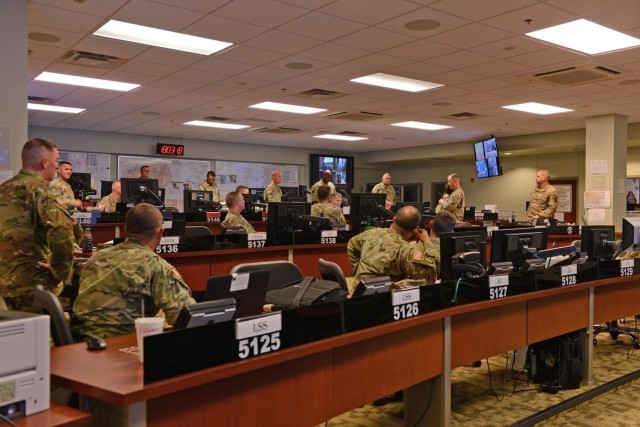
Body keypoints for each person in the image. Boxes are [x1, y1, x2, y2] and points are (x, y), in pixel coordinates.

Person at [72, 203, 195, 340]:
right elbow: (187, 318)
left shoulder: (96, 258)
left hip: (81, 344)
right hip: (123, 347)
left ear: (125, 229)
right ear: (160, 232)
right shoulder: (156, 267)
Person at [0, 138, 76, 311]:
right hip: (35, 282)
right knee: (40, 333)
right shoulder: (44, 191)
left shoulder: (3, 189)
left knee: (15, 331)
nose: (56, 166)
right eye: (56, 161)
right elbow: (62, 233)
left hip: (4, 279)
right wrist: (60, 272)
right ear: (45, 162)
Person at [347, 206, 440, 288]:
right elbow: (431, 274)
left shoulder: (371, 233)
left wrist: (357, 270)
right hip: (386, 298)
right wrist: (427, 241)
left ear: (394, 219)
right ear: (416, 228)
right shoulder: (405, 250)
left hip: (358, 293)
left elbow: (351, 244)